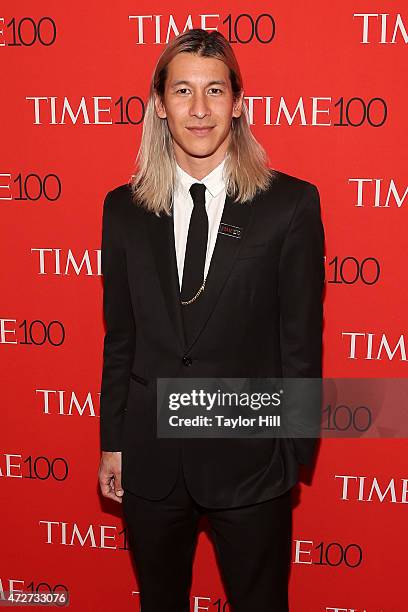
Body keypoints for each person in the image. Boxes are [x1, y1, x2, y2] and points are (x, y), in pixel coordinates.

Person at [98, 28, 325, 612]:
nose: (199, 109)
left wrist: (293, 452)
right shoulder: (122, 210)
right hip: (151, 462)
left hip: (251, 465)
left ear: (238, 103)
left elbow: (300, 342)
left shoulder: (290, 205)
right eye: (182, 91)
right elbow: (120, 338)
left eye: (215, 90)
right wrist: (114, 444)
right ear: (159, 104)